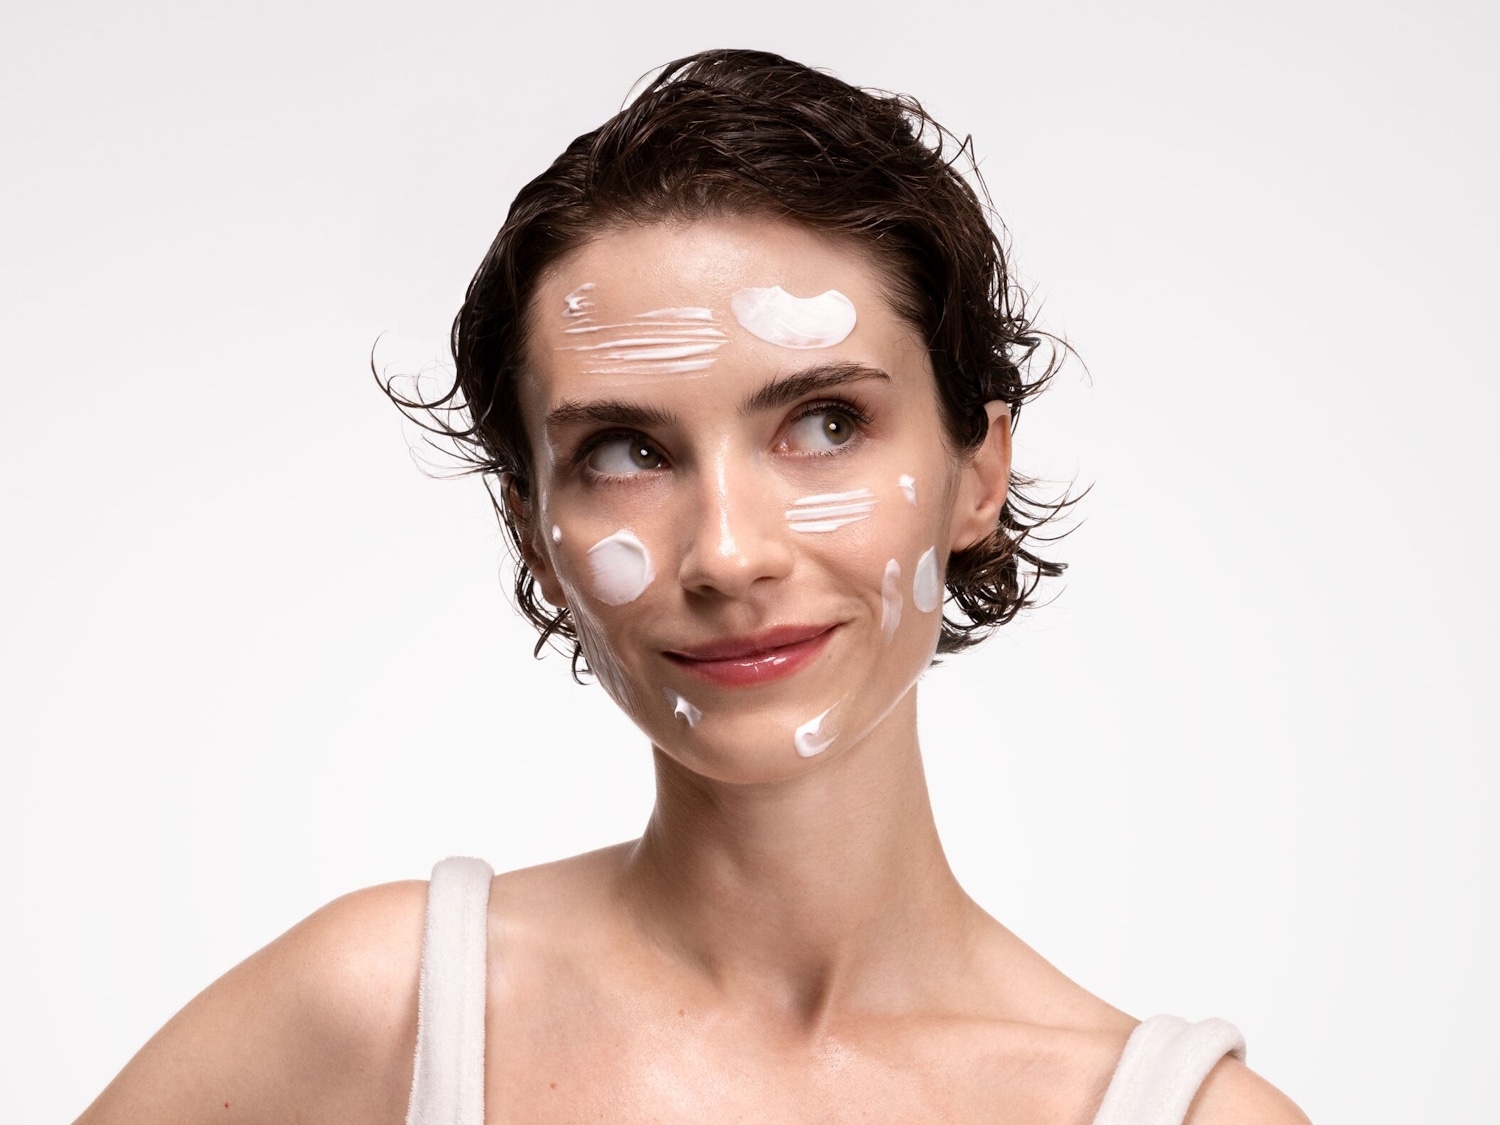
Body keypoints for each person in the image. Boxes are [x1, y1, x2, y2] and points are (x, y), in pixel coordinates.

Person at [75, 49, 1310, 1125]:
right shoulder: (385, 1008)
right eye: (626, 452)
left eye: (826, 424)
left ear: (976, 474)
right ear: (533, 532)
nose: (727, 553)